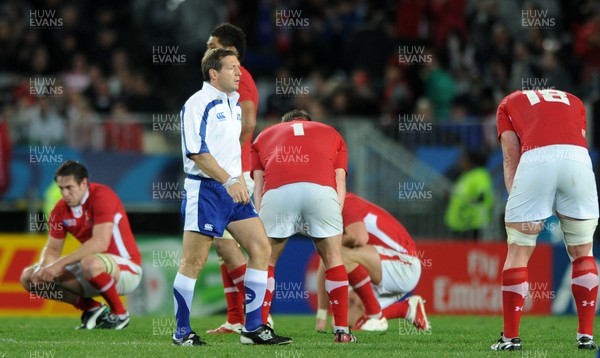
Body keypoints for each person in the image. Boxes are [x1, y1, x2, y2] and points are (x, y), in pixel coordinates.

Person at [172, 48, 291, 346]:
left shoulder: (234, 104)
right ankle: (181, 332)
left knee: (260, 247)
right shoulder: (197, 103)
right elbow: (196, 152)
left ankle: (252, 328)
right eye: (232, 68)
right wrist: (228, 181)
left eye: (239, 67)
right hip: (207, 190)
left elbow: (229, 151)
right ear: (214, 73)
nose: (240, 73)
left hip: (233, 190)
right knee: (193, 261)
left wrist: (238, 179)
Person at [491, 89, 599, 351]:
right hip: (578, 162)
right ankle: (586, 336)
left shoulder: (508, 103)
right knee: (583, 252)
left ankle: (510, 339)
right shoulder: (575, 100)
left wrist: (516, 195)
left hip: (537, 158)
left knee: (518, 250)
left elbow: (510, 153)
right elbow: (578, 139)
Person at [252, 109, 357, 343]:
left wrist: (261, 219)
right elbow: (340, 182)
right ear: (309, 122)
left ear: (284, 124)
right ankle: (342, 331)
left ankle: (259, 327)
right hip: (321, 192)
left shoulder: (263, 136)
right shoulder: (332, 133)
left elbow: (258, 186)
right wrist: (333, 218)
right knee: (333, 259)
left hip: (278, 193)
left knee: (266, 260)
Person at [20, 160, 142, 330]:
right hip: (94, 270)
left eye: (69, 187)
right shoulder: (60, 209)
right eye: (61, 188)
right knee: (29, 277)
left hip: (127, 269)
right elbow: (53, 248)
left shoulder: (102, 196)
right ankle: (91, 308)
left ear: (84, 183)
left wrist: (57, 266)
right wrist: (44, 267)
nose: (65, 193)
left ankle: (119, 314)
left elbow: (100, 243)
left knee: (90, 263)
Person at [203, 23, 263, 335]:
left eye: (212, 44)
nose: (207, 48)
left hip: (234, 173)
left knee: (228, 245)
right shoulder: (220, 84)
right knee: (224, 246)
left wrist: (229, 157)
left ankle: (258, 316)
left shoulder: (243, 78)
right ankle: (237, 318)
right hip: (226, 172)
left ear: (229, 50)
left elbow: (250, 118)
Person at [315, 192, 430, 332]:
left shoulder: (347, 202)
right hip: (384, 267)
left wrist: (330, 244)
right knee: (343, 324)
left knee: (337, 252)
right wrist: (321, 316)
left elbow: (359, 238)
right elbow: (325, 260)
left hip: (404, 264)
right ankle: (407, 309)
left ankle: (375, 314)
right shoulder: (332, 212)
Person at [444, 150, 494, 240]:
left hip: (472, 224)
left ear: (470, 161)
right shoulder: (465, 175)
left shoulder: (480, 174)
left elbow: (481, 196)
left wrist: (469, 204)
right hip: (459, 223)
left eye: (464, 159)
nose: (461, 161)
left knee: (469, 250)